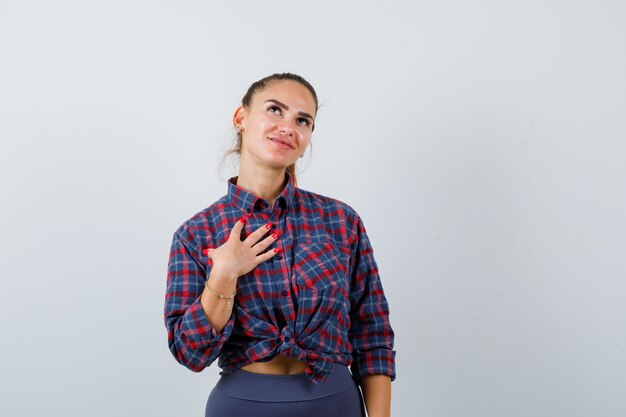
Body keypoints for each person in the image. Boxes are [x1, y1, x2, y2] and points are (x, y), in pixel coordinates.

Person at [164, 73, 397, 417]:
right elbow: (190, 353)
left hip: (335, 403)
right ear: (241, 118)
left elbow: (372, 333)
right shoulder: (197, 233)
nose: (288, 127)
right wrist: (224, 275)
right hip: (243, 406)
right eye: (275, 110)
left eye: (302, 120)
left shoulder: (340, 220)